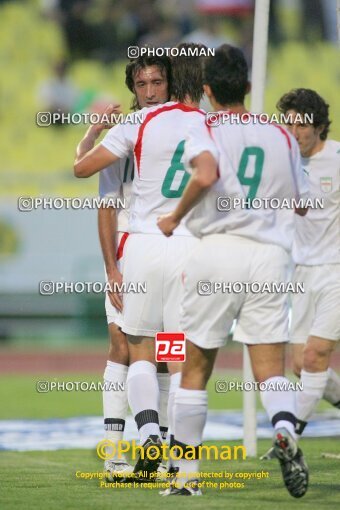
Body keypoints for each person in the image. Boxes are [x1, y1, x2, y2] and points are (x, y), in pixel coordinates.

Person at [157, 44, 309, 497]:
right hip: (268, 258)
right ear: (247, 86)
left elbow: (202, 177)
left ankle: (185, 479)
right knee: (271, 370)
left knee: (195, 370)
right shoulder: (281, 135)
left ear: (206, 90)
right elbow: (300, 202)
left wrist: (174, 218)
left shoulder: (201, 127)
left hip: (217, 250)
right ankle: (284, 427)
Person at [74, 43, 206, 480]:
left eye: (157, 81)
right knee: (123, 347)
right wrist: (111, 267)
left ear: (169, 82)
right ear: (131, 86)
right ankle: (115, 452)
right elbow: (106, 205)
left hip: (152, 250)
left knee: (158, 351)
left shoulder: (155, 127)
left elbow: (82, 168)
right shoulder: (131, 129)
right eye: (142, 83)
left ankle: (161, 446)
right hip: (132, 250)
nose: (150, 90)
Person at [277, 88, 340, 434]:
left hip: (335, 271)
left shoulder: (337, 158)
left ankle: (290, 435)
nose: (295, 132)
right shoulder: (284, 163)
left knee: (316, 355)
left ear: (318, 125)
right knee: (301, 366)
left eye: (301, 124)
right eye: (289, 124)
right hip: (300, 274)